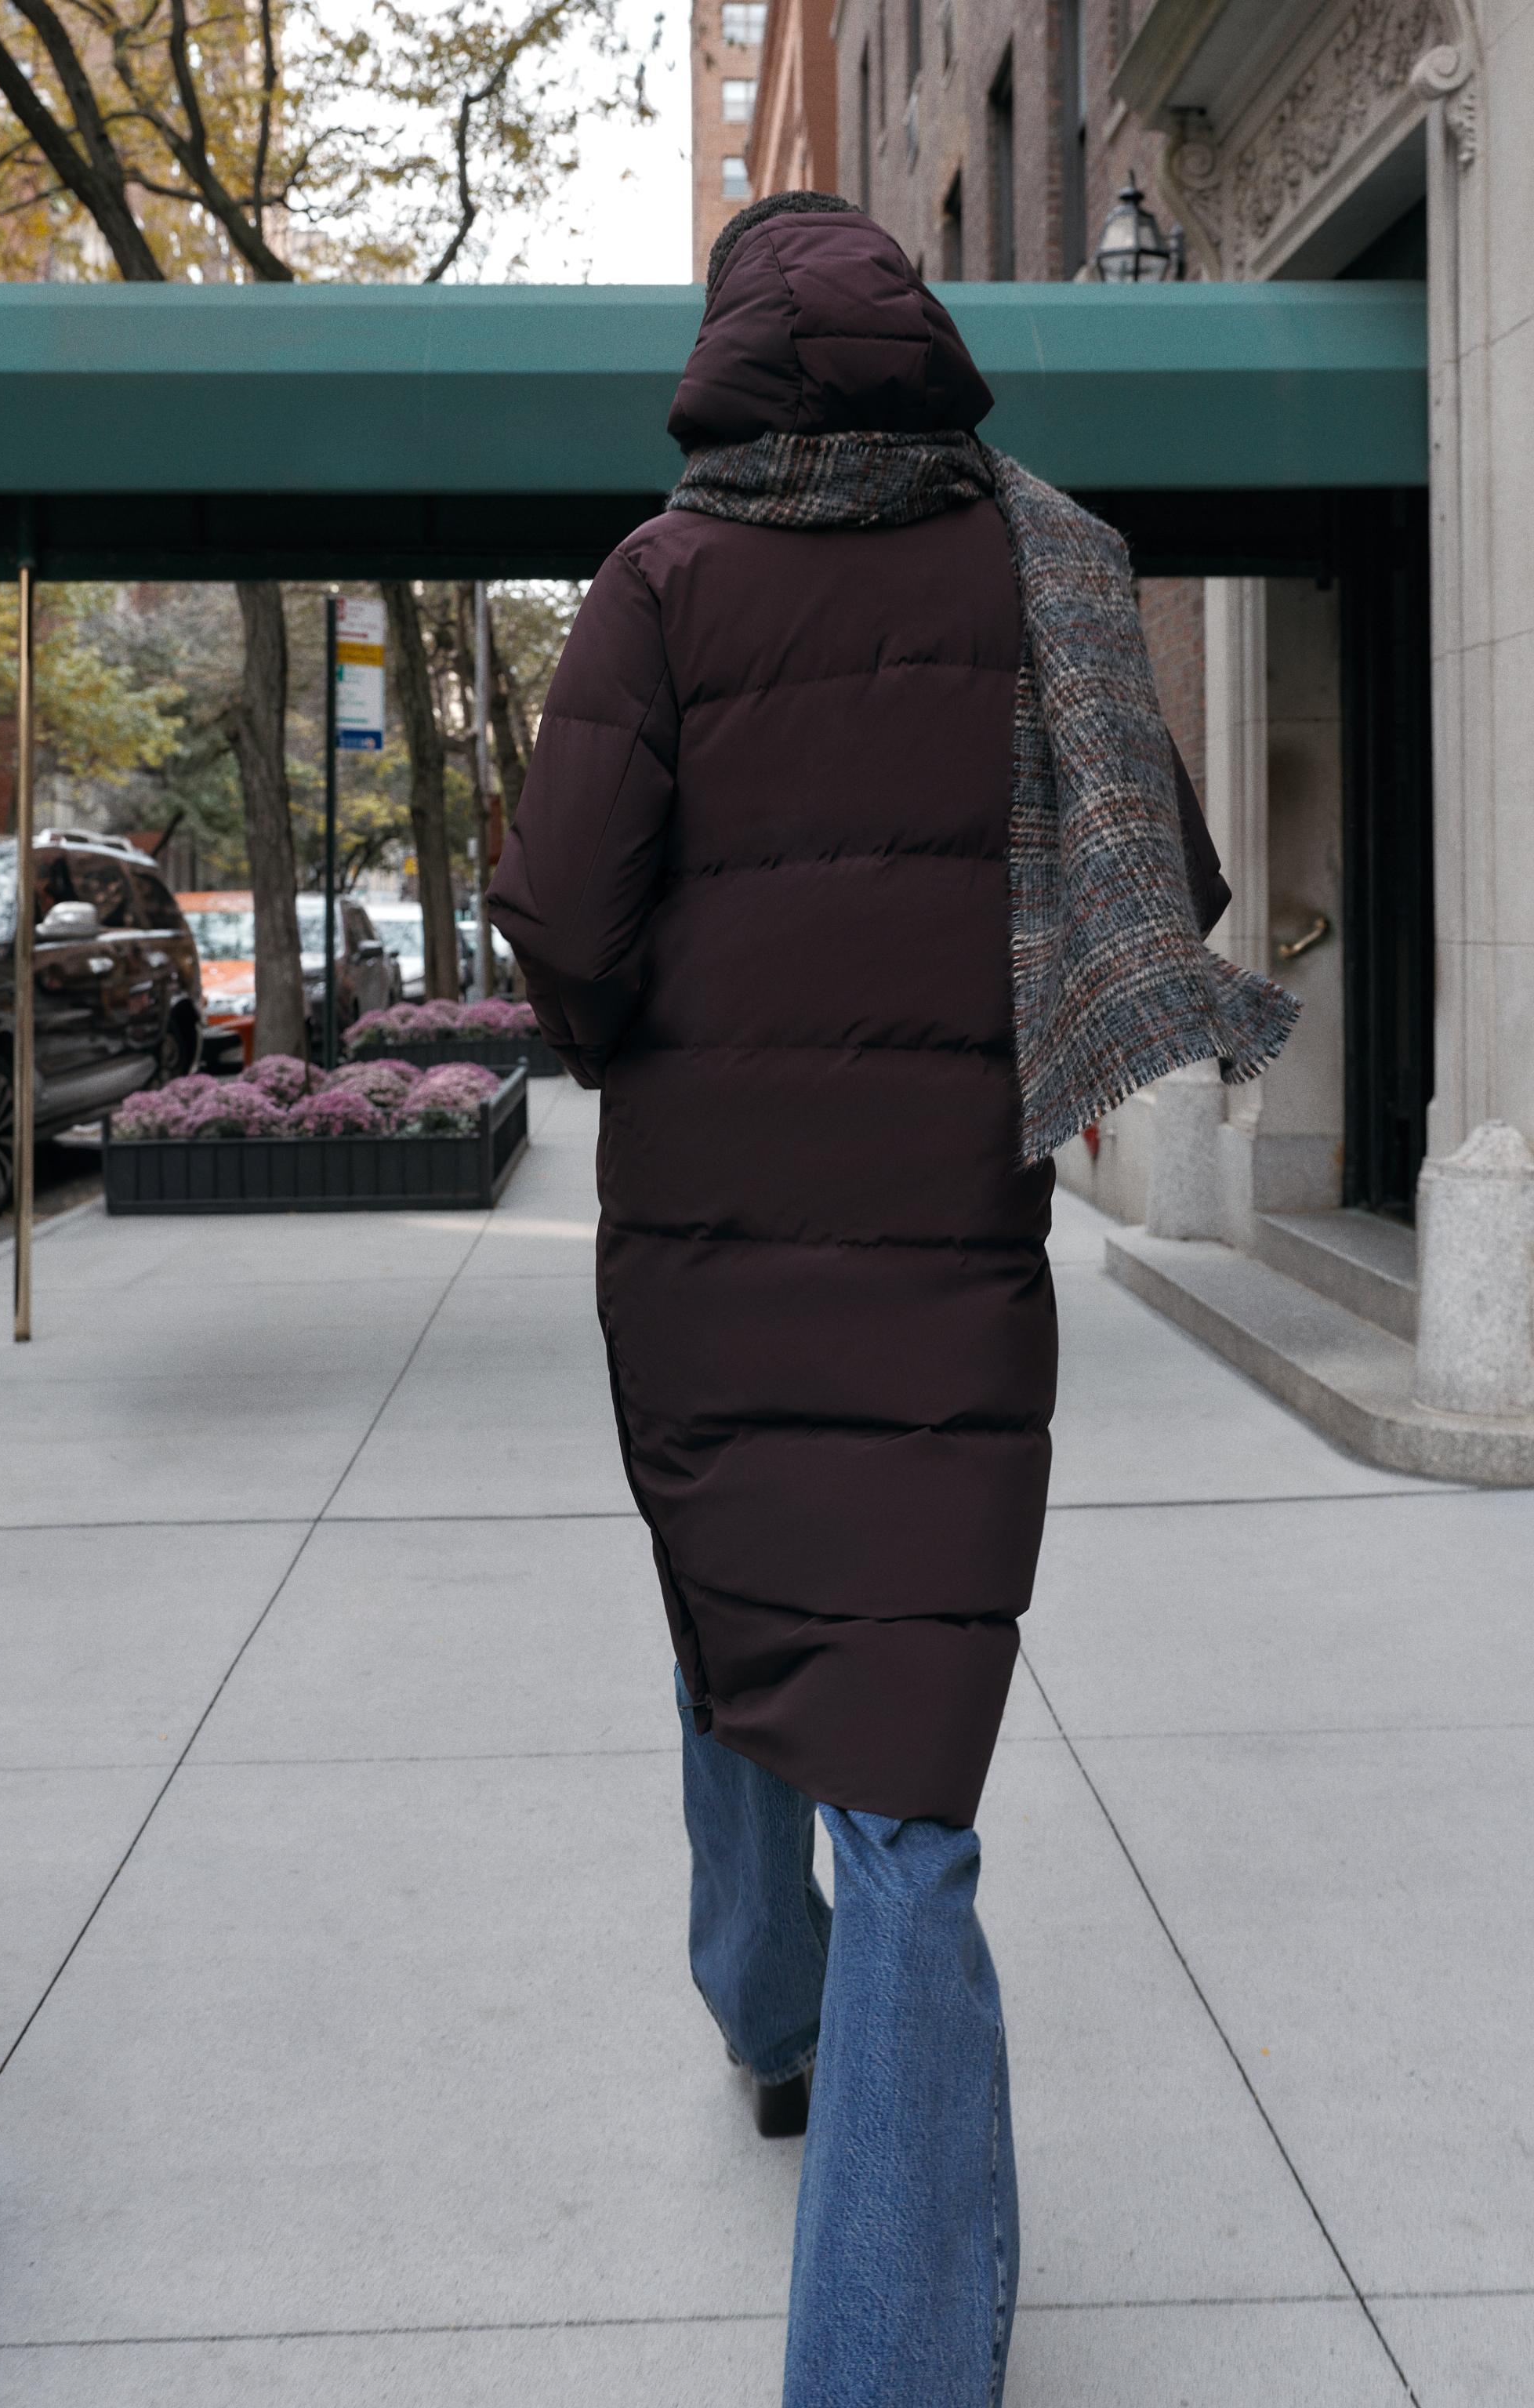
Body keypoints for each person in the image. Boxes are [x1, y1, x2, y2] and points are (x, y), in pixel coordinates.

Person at [489, 194, 1296, 2408]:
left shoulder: (655, 588)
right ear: (927, 348)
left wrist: (657, 1028)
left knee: (735, 1612)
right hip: (948, 1245)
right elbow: (1170, 881)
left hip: (701, 1240)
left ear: (728, 357)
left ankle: (770, 2018)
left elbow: (561, 921)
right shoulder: (1049, 570)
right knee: (912, 1780)